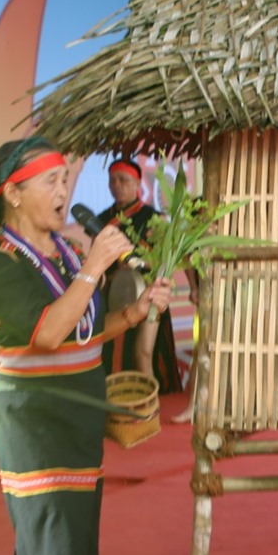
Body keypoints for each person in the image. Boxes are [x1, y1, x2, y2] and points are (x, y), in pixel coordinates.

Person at [0, 137, 172, 555]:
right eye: (49, 182)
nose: (64, 192)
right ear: (12, 194)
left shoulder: (62, 252)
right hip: (34, 417)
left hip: (74, 410)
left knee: (48, 534)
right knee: (55, 532)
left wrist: (136, 313)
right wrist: (93, 266)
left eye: (66, 180)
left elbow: (85, 329)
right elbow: (46, 333)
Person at [89, 157, 184, 397]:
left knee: (143, 352)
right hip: (111, 293)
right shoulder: (100, 219)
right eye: (113, 181)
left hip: (145, 291)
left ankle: (151, 399)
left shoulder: (153, 218)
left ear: (138, 183)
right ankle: (117, 395)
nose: (117, 185)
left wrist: (134, 267)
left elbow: (161, 260)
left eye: (124, 180)